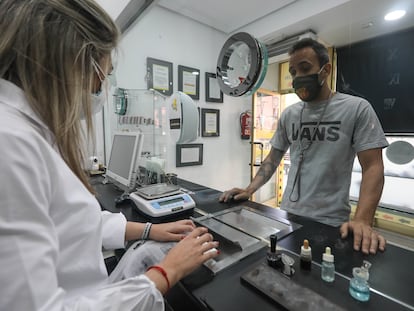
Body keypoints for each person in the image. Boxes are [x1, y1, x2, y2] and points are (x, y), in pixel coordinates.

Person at [0, 1, 218, 310]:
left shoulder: (32, 134)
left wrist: (149, 230)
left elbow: (74, 223)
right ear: (71, 63)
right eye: (103, 75)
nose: (100, 88)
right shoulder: (10, 142)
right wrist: (167, 272)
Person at [220, 38, 388, 255]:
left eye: (305, 68)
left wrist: (363, 220)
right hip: (289, 215)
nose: (298, 77)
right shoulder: (290, 114)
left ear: (325, 70)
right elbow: (273, 157)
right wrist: (249, 189)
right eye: (293, 71)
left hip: (331, 221)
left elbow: (373, 166)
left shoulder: (356, 108)